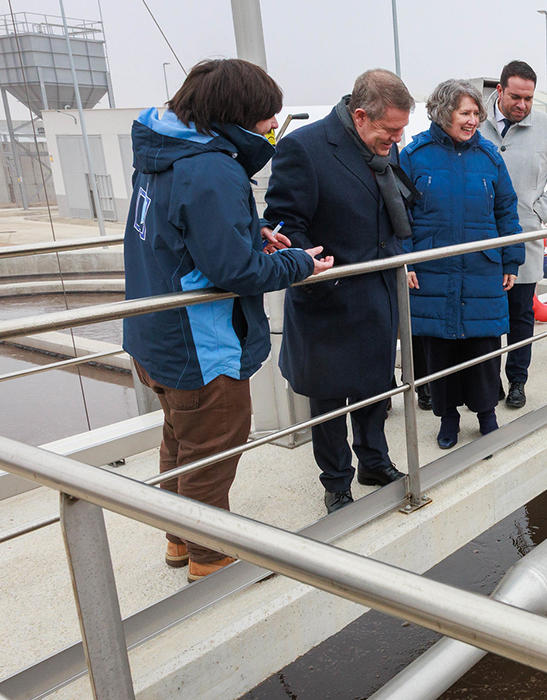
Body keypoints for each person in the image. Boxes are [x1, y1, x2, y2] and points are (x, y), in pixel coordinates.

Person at [124, 59, 330, 579]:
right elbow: (233, 269)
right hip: (201, 342)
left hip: (155, 337)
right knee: (213, 452)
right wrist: (300, 263)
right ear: (237, 114)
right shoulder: (210, 168)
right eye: (266, 117)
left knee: (180, 443)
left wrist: (251, 228)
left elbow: (186, 227)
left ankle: (178, 538)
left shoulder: (163, 150)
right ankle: (209, 558)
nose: (270, 128)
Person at [266, 69, 414, 514]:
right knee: (329, 401)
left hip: (376, 293)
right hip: (328, 297)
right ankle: (336, 483)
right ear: (361, 115)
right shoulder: (304, 148)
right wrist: (310, 265)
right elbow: (284, 222)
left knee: (374, 387)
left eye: (401, 130)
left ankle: (374, 461)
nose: (397, 138)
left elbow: (391, 212)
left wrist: (398, 261)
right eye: (391, 130)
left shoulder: (381, 145)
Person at [401, 79, 523, 450]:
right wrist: (406, 262)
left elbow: (507, 210)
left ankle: (487, 414)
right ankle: (448, 419)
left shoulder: (489, 157)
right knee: (440, 350)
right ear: (442, 113)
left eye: (476, 114)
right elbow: (399, 215)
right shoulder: (414, 155)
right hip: (432, 268)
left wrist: (511, 261)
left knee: (483, 346)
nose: (472, 121)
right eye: (465, 113)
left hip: (482, 268)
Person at [479, 60, 547, 410]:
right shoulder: (476, 125)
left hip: (524, 240)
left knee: (521, 317)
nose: (522, 105)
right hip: (483, 243)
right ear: (500, 91)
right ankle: (486, 386)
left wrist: (537, 212)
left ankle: (517, 380)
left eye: (529, 99)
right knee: (485, 320)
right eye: (516, 97)